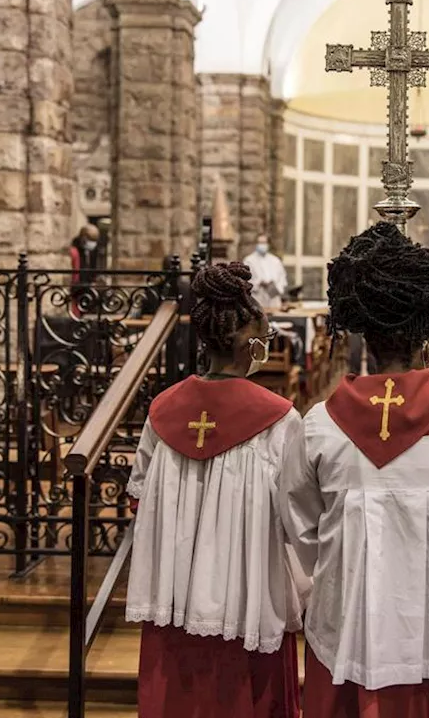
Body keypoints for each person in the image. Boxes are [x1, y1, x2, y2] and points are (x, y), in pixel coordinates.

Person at [279, 222, 429, 718]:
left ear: (364, 338)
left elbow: (302, 525)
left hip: (349, 622)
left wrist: (351, 558)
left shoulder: (318, 425)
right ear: (428, 335)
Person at [126, 262, 309, 718]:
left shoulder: (163, 410)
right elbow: (299, 520)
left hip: (176, 598)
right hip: (247, 600)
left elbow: (139, 500)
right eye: (264, 340)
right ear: (248, 343)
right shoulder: (280, 419)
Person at [244, 233, 290, 311]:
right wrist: (259, 283)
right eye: (260, 242)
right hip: (257, 297)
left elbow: (282, 279)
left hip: (273, 298)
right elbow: (246, 281)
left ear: (268, 244)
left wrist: (275, 286)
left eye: (264, 243)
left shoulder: (275, 261)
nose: (262, 245)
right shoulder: (248, 261)